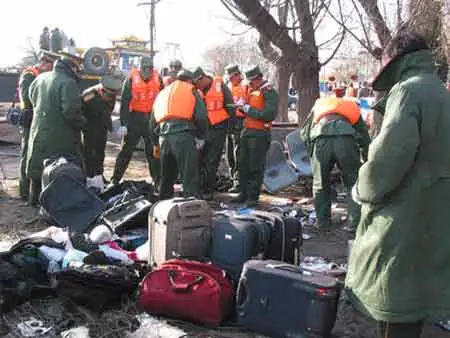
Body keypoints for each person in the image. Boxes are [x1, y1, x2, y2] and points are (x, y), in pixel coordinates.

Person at [346, 30, 450, 338]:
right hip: (436, 213)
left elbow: (388, 160)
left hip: (403, 216)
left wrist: (361, 190)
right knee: (415, 296)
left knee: (396, 300)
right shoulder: (440, 92)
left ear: (395, 59)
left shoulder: (408, 91)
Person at [301, 87, 370, 232]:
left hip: (321, 139)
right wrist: (366, 157)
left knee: (320, 184)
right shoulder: (351, 106)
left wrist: (311, 155)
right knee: (352, 182)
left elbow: (304, 133)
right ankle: (354, 222)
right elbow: (363, 135)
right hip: (345, 139)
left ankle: (322, 222)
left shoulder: (320, 105)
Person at [27, 55, 86, 207]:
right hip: (60, 134)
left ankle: (33, 199)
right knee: (58, 168)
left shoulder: (41, 78)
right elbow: (71, 113)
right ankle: (54, 205)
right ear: (72, 68)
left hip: (38, 129)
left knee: (38, 164)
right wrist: (84, 123)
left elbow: (31, 97)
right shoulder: (68, 83)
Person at [152, 70, 208, 199]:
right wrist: (201, 136)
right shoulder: (191, 90)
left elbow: (152, 122)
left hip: (163, 137)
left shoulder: (163, 92)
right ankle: (191, 208)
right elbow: (201, 116)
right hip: (183, 136)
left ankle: (162, 207)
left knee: (166, 176)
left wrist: (155, 143)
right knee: (189, 175)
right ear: (189, 80)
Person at [110, 56, 162, 187]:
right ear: (140, 69)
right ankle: (115, 179)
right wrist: (123, 124)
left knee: (153, 151)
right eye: (145, 69)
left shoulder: (158, 79)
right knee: (127, 149)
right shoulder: (131, 79)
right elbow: (125, 102)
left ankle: (157, 181)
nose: (147, 72)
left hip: (152, 118)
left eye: (150, 69)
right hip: (135, 118)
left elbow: (163, 100)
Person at [231, 66, 278, 207]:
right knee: (243, 164)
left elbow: (269, 114)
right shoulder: (251, 91)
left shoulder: (269, 92)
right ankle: (243, 194)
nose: (249, 84)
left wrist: (249, 110)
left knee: (255, 166)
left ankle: (252, 197)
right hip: (247, 131)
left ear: (259, 78)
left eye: (252, 81)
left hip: (259, 134)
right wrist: (241, 107)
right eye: (248, 81)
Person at [17, 51, 58, 202]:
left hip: (37, 120)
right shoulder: (29, 75)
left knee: (34, 154)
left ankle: (33, 191)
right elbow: (28, 98)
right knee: (26, 154)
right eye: (50, 65)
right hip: (29, 119)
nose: (50, 69)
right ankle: (24, 191)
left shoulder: (40, 75)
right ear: (44, 63)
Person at [192, 66, 234, 200]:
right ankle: (198, 187)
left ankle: (207, 190)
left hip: (218, 128)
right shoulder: (196, 90)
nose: (197, 86)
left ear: (203, 78)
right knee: (199, 159)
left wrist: (230, 128)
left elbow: (230, 106)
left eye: (197, 83)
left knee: (212, 160)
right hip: (203, 129)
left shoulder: (219, 85)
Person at [81, 72, 122, 182]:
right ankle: (88, 176)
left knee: (100, 153)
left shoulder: (112, 95)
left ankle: (99, 176)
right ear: (102, 90)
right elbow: (80, 110)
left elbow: (109, 110)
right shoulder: (89, 95)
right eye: (108, 95)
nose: (110, 98)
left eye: (113, 95)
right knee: (89, 154)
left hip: (102, 127)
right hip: (89, 128)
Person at [224, 64, 248, 193]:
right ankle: (234, 179)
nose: (233, 78)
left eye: (235, 76)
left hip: (240, 122)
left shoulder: (244, 87)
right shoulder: (227, 87)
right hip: (229, 122)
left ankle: (239, 182)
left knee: (238, 153)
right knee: (230, 154)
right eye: (231, 77)